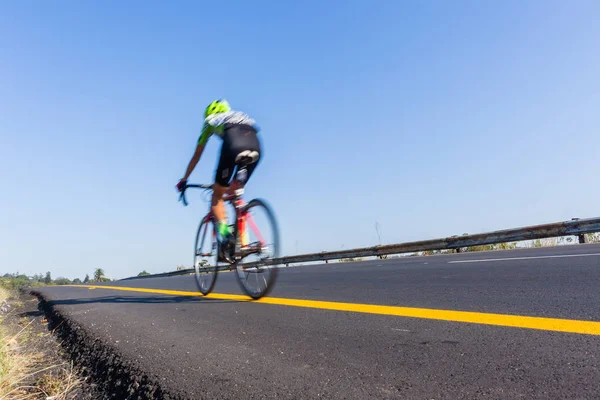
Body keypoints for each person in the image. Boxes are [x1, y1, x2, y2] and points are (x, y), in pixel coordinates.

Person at [176, 99, 261, 263]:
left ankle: (226, 236)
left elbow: (197, 156)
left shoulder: (210, 121)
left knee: (217, 197)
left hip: (234, 145)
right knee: (235, 194)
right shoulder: (239, 115)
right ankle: (244, 244)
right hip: (255, 145)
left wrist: (184, 179)